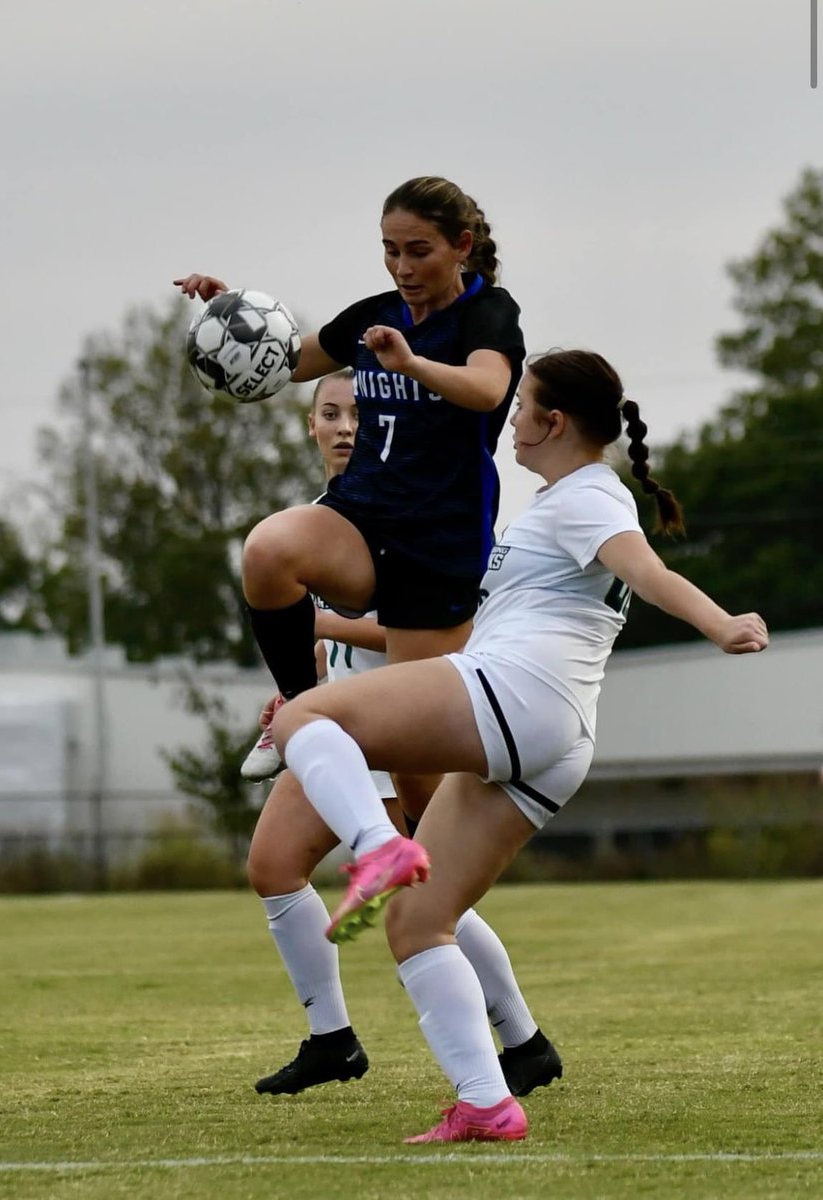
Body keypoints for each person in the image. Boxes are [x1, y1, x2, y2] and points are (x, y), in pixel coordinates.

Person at [264, 349, 769, 1143]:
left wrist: (722, 624)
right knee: (417, 925)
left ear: (553, 422)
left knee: (302, 720)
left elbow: (646, 567)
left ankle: (374, 848)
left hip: (518, 694)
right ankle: (487, 1102)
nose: (511, 420)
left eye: (522, 405)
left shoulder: (588, 497)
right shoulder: (559, 501)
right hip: (558, 735)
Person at [174, 175, 527, 821]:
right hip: (363, 518)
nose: (401, 266)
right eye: (390, 249)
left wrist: (412, 365)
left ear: (461, 245)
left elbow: (485, 388)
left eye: (418, 250)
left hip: (437, 546)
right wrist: (231, 318)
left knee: (417, 785)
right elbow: (289, 360)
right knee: (268, 550)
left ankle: (441, 908)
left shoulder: (488, 315)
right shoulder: (376, 313)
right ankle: (299, 707)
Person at [248, 370, 561, 1097]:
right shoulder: (326, 515)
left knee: (418, 896)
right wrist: (303, 681)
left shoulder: (411, 507)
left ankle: (520, 1038)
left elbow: (439, 628)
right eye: (330, 413)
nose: (346, 426)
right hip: (344, 721)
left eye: (360, 413)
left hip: (404, 721)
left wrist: (318, 623)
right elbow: (339, 641)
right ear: (309, 426)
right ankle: (333, 1038)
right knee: (274, 866)